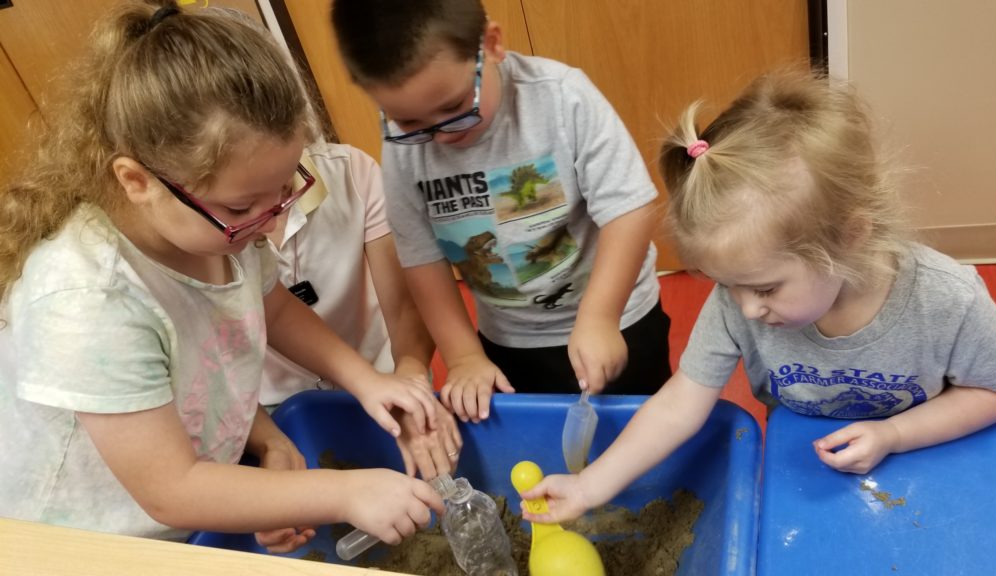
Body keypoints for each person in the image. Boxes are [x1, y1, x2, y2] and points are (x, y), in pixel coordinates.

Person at [0, 1, 448, 554]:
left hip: (182, 489)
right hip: (79, 536)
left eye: (287, 188)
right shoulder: (89, 300)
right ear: (137, 180)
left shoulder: (222, 234)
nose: (277, 220)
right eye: (243, 207)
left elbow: (275, 309)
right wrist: (343, 492)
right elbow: (172, 490)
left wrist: (367, 380)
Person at [520, 69, 996, 523]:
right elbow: (679, 406)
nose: (745, 308)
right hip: (803, 480)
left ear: (849, 237)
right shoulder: (739, 303)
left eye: (764, 288)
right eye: (725, 284)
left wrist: (894, 436)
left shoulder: (945, 299)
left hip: (938, 472)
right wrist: (589, 486)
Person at [330, 0, 673, 423]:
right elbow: (423, 261)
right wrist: (462, 357)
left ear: (490, 45)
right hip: (510, 342)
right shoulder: (405, 153)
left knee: (645, 435)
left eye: (455, 108)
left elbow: (629, 210)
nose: (438, 135)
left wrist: (601, 316)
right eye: (408, 122)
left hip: (619, 317)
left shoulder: (562, 96)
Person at [262, 141, 462, 479]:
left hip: (383, 373)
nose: (267, 217)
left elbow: (404, 305)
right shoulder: (210, 231)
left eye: (285, 186)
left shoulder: (351, 173)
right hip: (273, 406)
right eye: (240, 207)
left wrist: (409, 376)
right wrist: (269, 441)